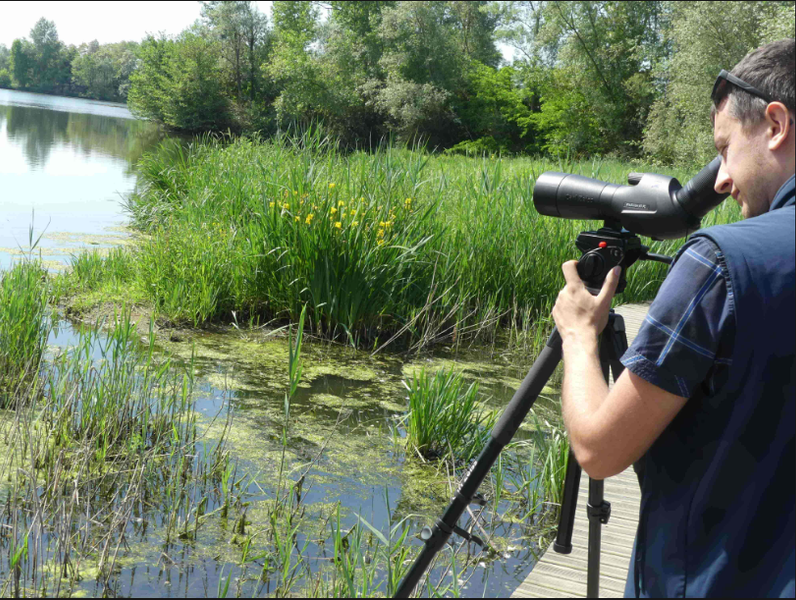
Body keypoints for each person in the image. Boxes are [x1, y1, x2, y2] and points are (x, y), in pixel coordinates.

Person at [551, 38, 795, 598]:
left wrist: (580, 336)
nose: (722, 181)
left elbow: (599, 450)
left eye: (726, 149)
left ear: (775, 125)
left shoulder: (720, 263)